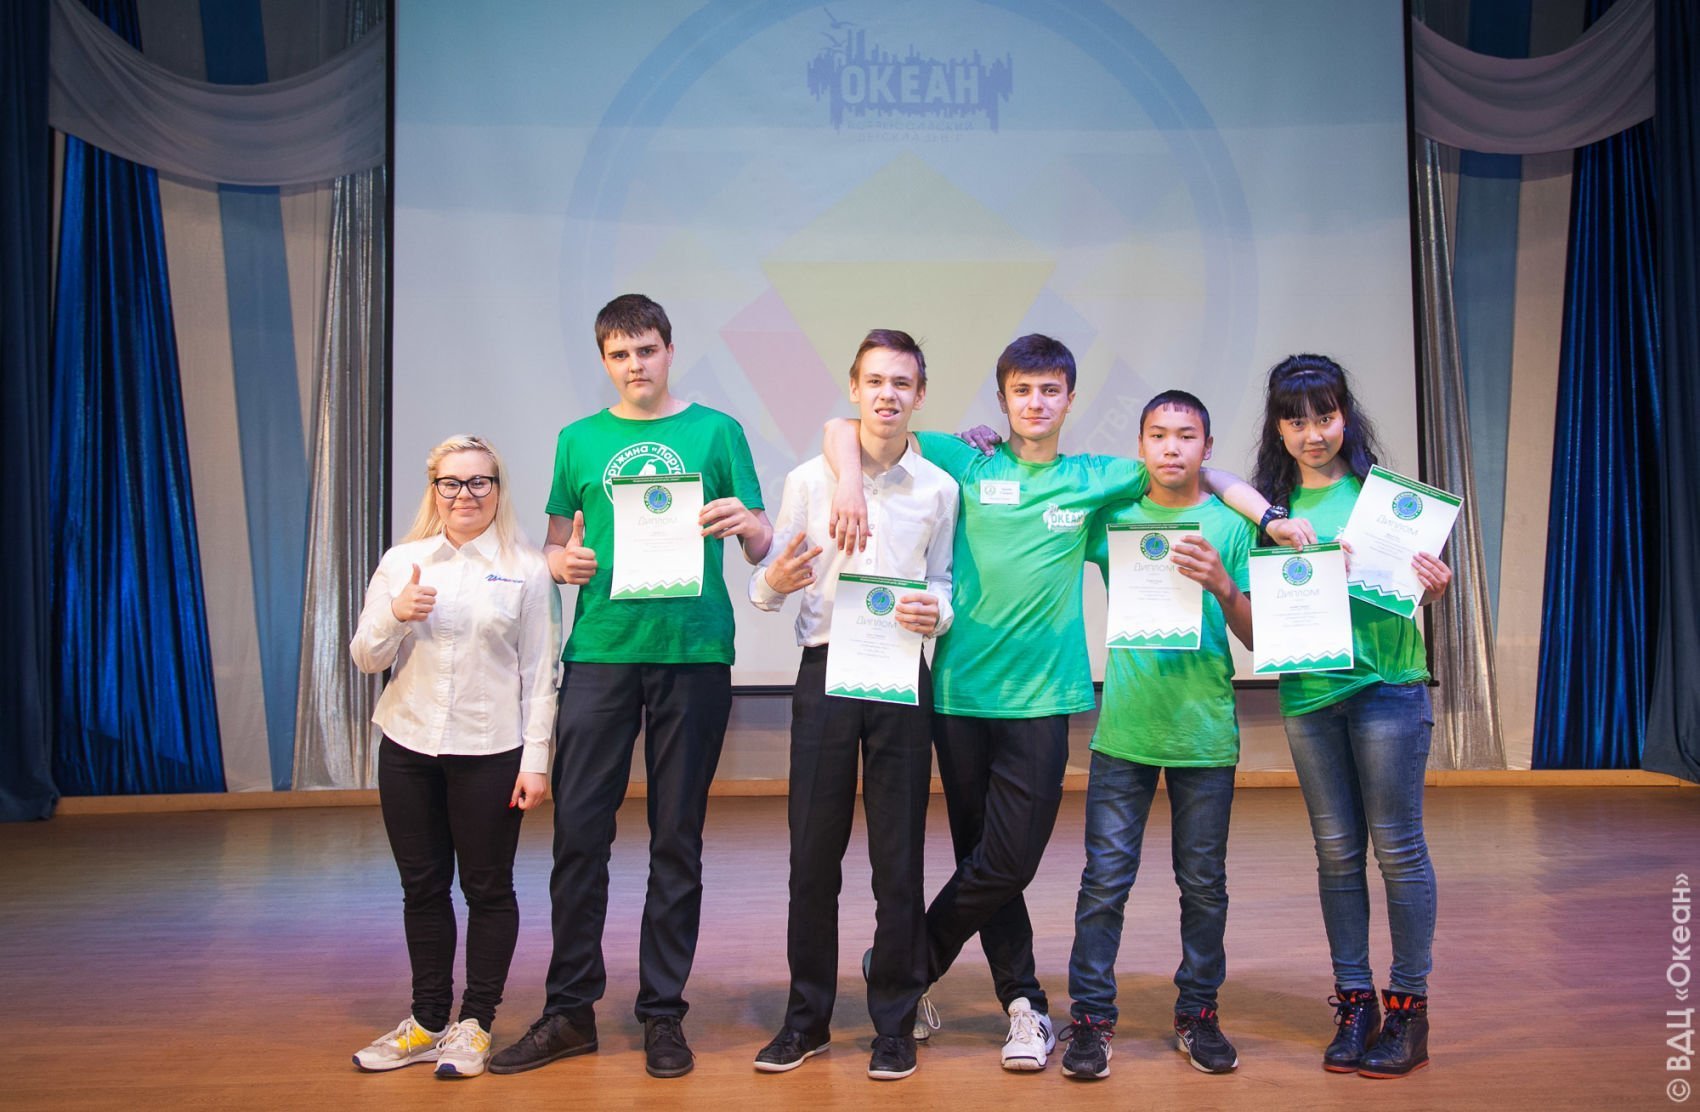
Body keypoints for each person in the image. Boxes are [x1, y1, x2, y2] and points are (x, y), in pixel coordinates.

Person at [825, 335, 1305, 1072]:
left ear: (1070, 399)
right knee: (981, 858)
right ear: (1003, 398)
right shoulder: (967, 461)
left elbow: (1200, 469)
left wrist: (1268, 517)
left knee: (1009, 861)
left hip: (1047, 698)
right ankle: (1023, 1004)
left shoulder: (1094, 479)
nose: (1036, 403)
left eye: (1050, 390)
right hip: (957, 695)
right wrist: (849, 488)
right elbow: (847, 427)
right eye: (1022, 390)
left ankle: (903, 961)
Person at [492, 294, 772, 1080]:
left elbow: (762, 542)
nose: (635, 365)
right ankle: (569, 1012)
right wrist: (561, 563)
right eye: (620, 354)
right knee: (580, 835)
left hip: (693, 651)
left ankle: (662, 1013)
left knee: (678, 837)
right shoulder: (578, 440)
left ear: (669, 351)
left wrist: (747, 524)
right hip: (602, 651)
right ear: (604, 361)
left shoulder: (717, 431)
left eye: (646, 350)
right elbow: (552, 547)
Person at [748, 330, 958, 1082]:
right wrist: (773, 584)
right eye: (875, 381)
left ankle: (894, 1024)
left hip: (901, 679)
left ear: (919, 395)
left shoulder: (939, 489)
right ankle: (805, 1021)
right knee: (813, 856)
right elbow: (767, 583)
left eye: (902, 383)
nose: (887, 395)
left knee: (898, 861)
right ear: (853, 388)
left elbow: (944, 582)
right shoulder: (811, 479)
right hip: (826, 672)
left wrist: (938, 613)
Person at [1249, 353, 1451, 1079]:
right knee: (1336, 854)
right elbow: (1260, 620)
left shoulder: (1384, 501)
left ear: (1345, 418)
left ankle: (1409, 1010)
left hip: (1387, 688)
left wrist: (1433, 586)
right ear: (1278, 429)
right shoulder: (1270, 516)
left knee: (1398, 849)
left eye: (1325, 417)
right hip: (1310, 696)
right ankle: (1355, 1001)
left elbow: (1415, 587)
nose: (1313, 434)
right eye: (1297, 421)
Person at [348, 434, 562, 1080]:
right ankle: (427, 1020)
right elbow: (365, 657)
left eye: (478, 482)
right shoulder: (403, 561)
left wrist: (536, 761)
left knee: (488, 889)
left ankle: (476, 1023)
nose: (465, 495)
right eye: (451, 483)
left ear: (497, 490)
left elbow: (541, 673)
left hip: (490, 752)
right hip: (407, 747)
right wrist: (395, 614)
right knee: (422, 888)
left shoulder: (527, 568)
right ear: (434, 490)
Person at [1060, 391, 1254, 1082]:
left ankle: (1198, 1012)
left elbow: (1258, 635)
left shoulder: (1230, 524)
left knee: (1203, 885)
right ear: (1139, 445)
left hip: (1205, 733)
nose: (1172, 447)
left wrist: (1223, 584)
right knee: (1104, 884)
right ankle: (1091, 1018)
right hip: (1125, 731)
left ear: (1208, 446)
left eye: (1187, 435)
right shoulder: (1112, 518)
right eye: (1158, 435)